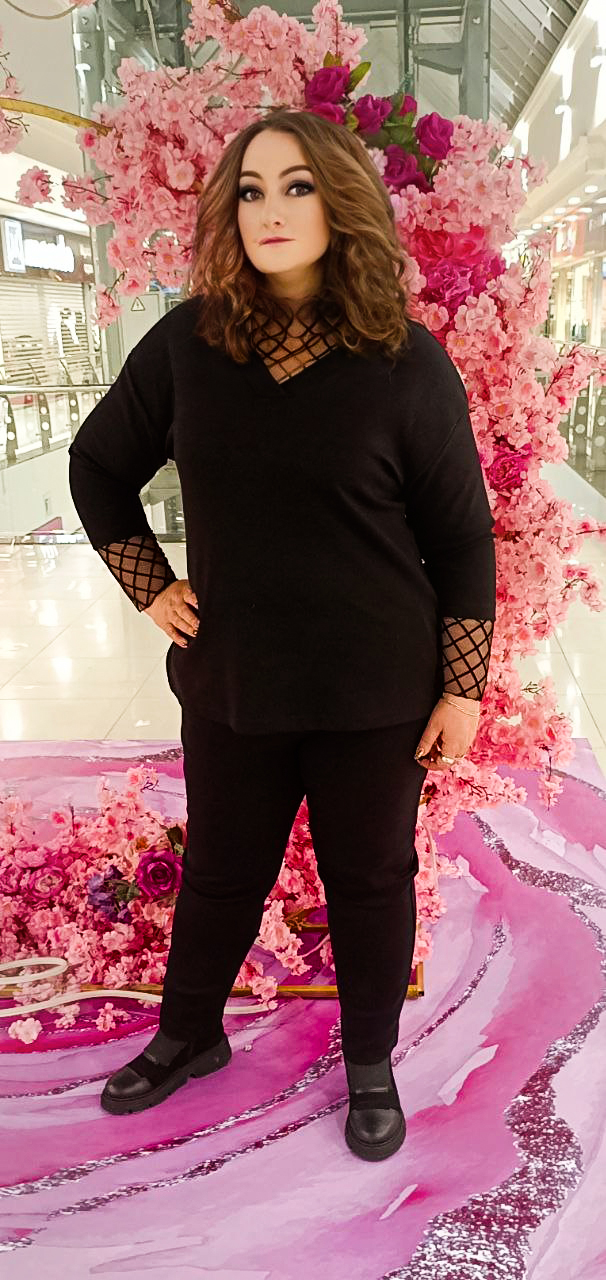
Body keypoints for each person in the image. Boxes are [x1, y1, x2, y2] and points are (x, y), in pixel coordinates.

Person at [68, 108, 496, 1163]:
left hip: (375, 690)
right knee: (221, 871)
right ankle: (188, 1033)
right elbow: (97, 465)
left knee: (369, 880)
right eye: (251, 190)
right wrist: (150, 586)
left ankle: (370, 1062)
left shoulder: (406, 361)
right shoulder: (187, 346)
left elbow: (461, 536)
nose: (270, 209)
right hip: (235, 679)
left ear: (340, 202)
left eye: (297, 185)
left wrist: (463, 688)